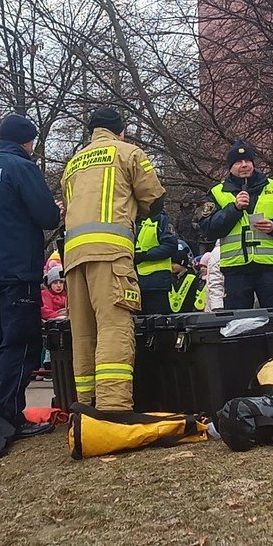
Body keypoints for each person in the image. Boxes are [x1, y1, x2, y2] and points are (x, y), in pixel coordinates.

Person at [61, 107, 164, 412]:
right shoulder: (129, 153)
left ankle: (85, 405)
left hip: (73, 256)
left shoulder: (73, 163)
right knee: (114, 326)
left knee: (82, 331)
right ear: (120, 131)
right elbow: (154, 199)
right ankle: (113, 408)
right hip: (110, 253)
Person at [0, 114, 60, 436]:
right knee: (18, 343)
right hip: (16, 271)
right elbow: (46, 215)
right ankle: (10, 414)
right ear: (26, 140)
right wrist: (57, 209)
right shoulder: (22, 168)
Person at [201, 141, 273, 309]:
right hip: (235, 268)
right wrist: (233, 208)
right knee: (238, 323)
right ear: (230, 167)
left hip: (269, 267)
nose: (244, 165)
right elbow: (207, 228)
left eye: (247, 161)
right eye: (238, 162)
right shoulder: (217, 192)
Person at [134, 210, 178, 314]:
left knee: (158, 324)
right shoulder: (128, 220)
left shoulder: (159, 219)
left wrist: (145, 255)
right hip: (133, 283)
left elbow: (170, 246)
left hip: (156, 284)